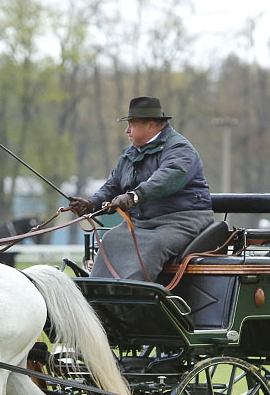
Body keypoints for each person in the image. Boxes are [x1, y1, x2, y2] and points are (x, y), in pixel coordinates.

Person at [68, 96, 213, 280]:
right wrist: (92, 204)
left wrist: (134, 196)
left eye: (131, 125)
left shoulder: (179, 148)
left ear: (151, 126)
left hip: (182, 220)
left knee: (152, 245)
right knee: (110, 240)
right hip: (142, 222)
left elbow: (169, 177)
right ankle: (101, 297)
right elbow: (113, 185)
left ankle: (133, 297)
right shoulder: (130, 153)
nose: (127, 130)